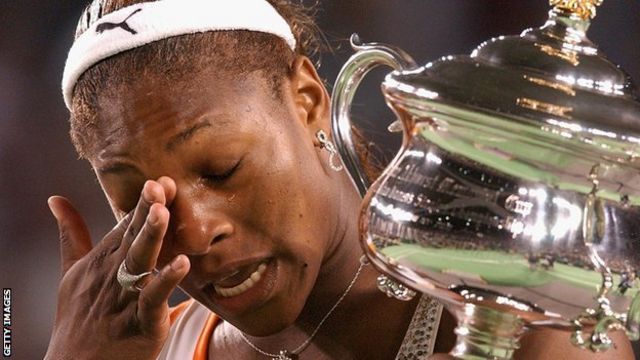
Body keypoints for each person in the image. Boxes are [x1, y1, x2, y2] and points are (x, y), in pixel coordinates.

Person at [45, 0, 634, 359]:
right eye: (139, 205)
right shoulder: (142, 354)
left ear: (307, 101)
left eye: (221, 169)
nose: (195, 236)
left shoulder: (529, 328)